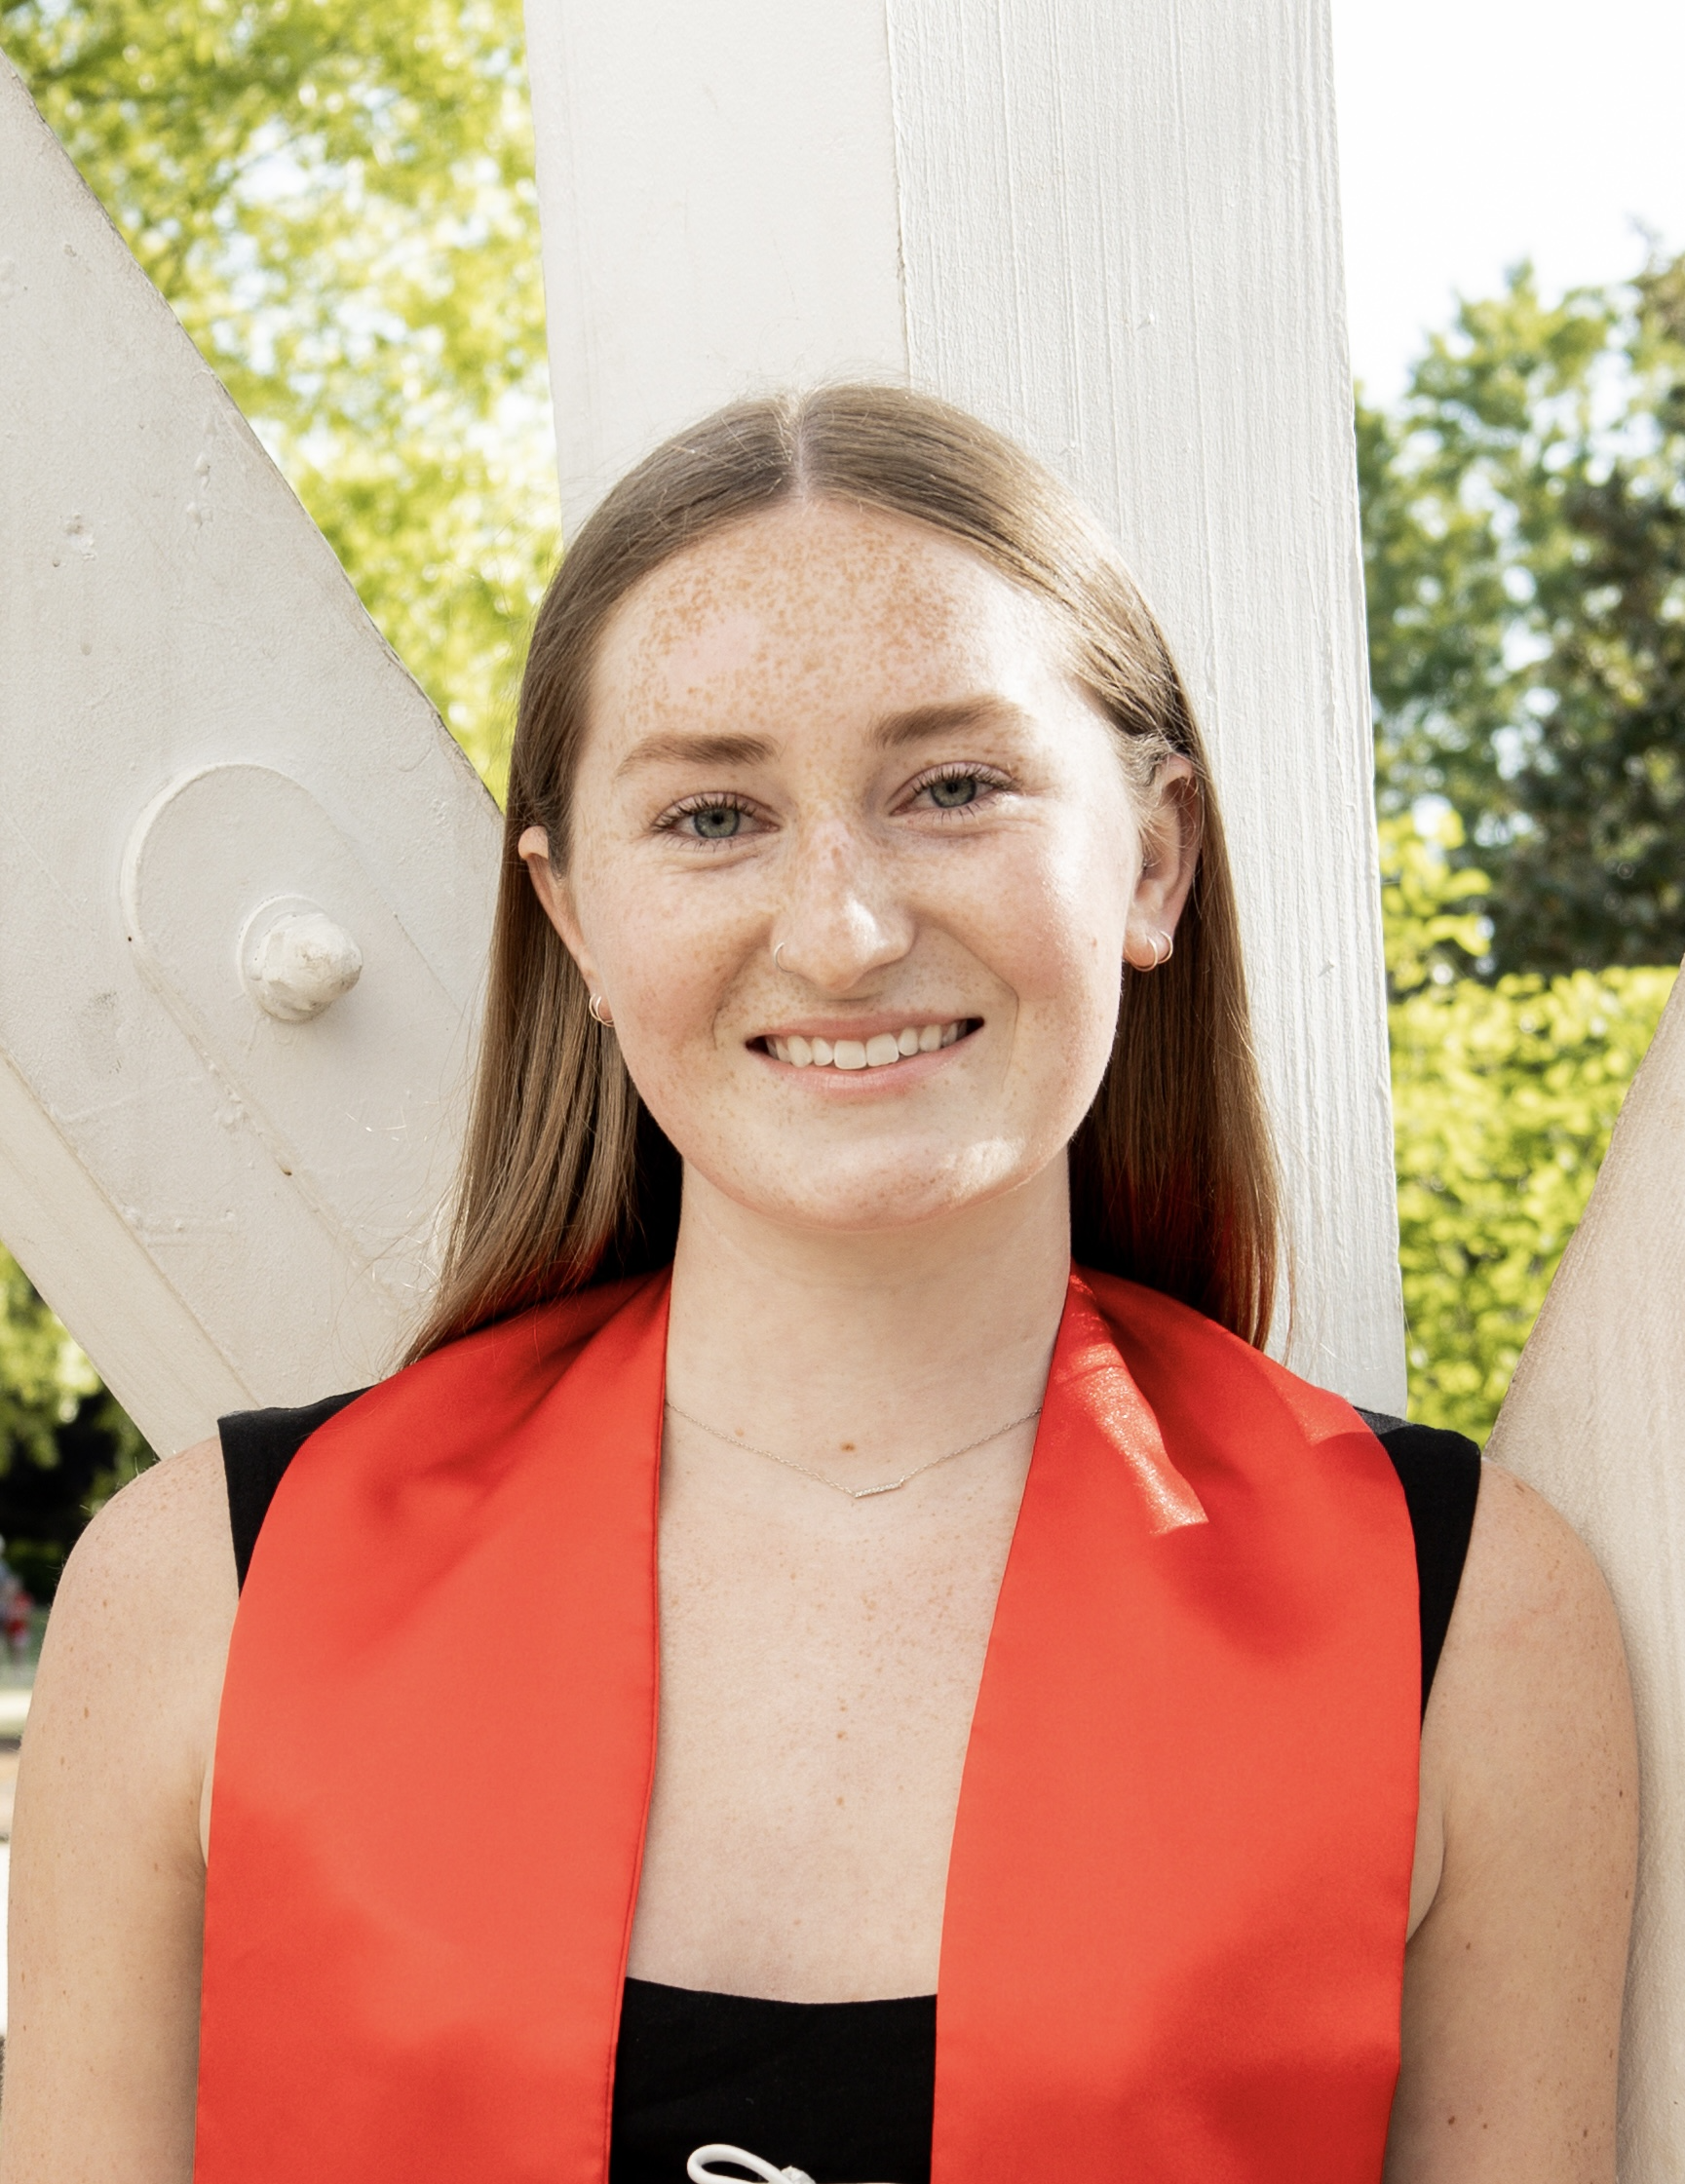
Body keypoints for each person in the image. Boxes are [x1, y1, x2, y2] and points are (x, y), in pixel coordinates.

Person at [2, 387, 1636, 2184]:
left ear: (1153, 858)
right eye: (712, 816)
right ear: (575, 923)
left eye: (954, 787)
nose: (843, 930)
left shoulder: (1461, 1624)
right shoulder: (208, 1594)